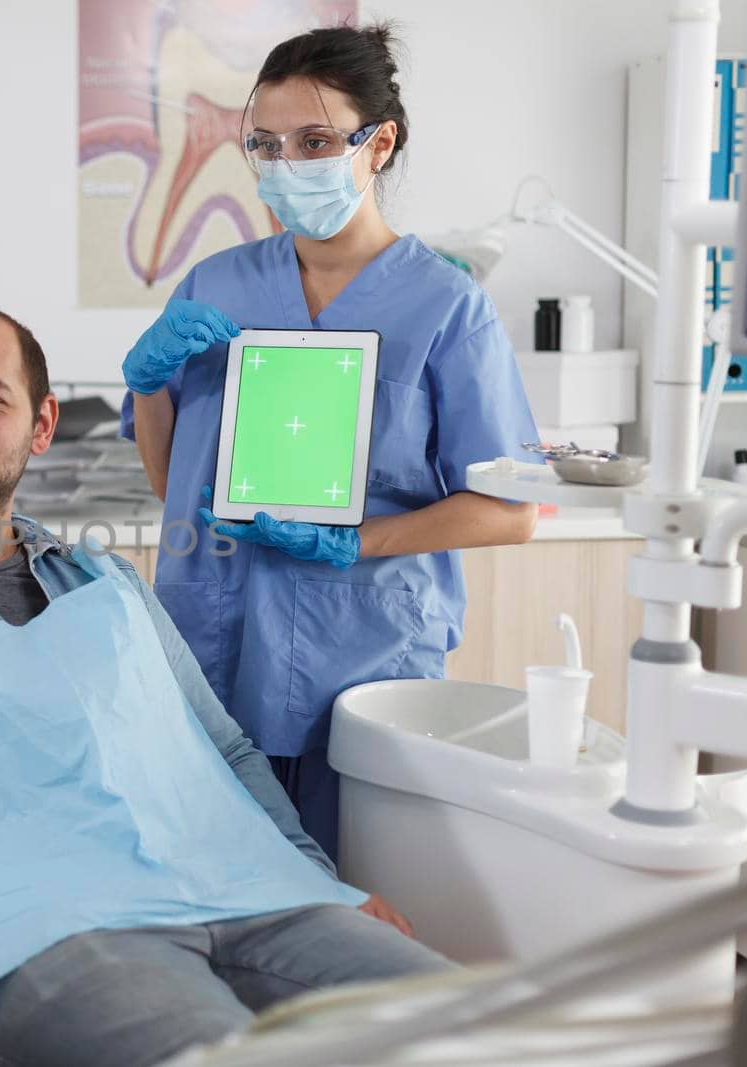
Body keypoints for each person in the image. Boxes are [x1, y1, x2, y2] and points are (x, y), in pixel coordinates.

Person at [0, 301, 453, 1067]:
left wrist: (314, 879)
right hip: (36, 940)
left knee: (488, 1028)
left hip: (250, 897)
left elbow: (228, 752)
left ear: (42, 425)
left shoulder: (113, 588)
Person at [121, 24, 540, 857]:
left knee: (362, 900)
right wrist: (147, 385)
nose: (287, 165)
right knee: (225, 901)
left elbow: (510, 511)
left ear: (377, 143)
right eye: (265, 146)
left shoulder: (445, 307)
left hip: (365, 656)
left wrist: (356, 541)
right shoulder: (217, 286)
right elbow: (174, 481)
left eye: (314, 141)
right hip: (214, 647)